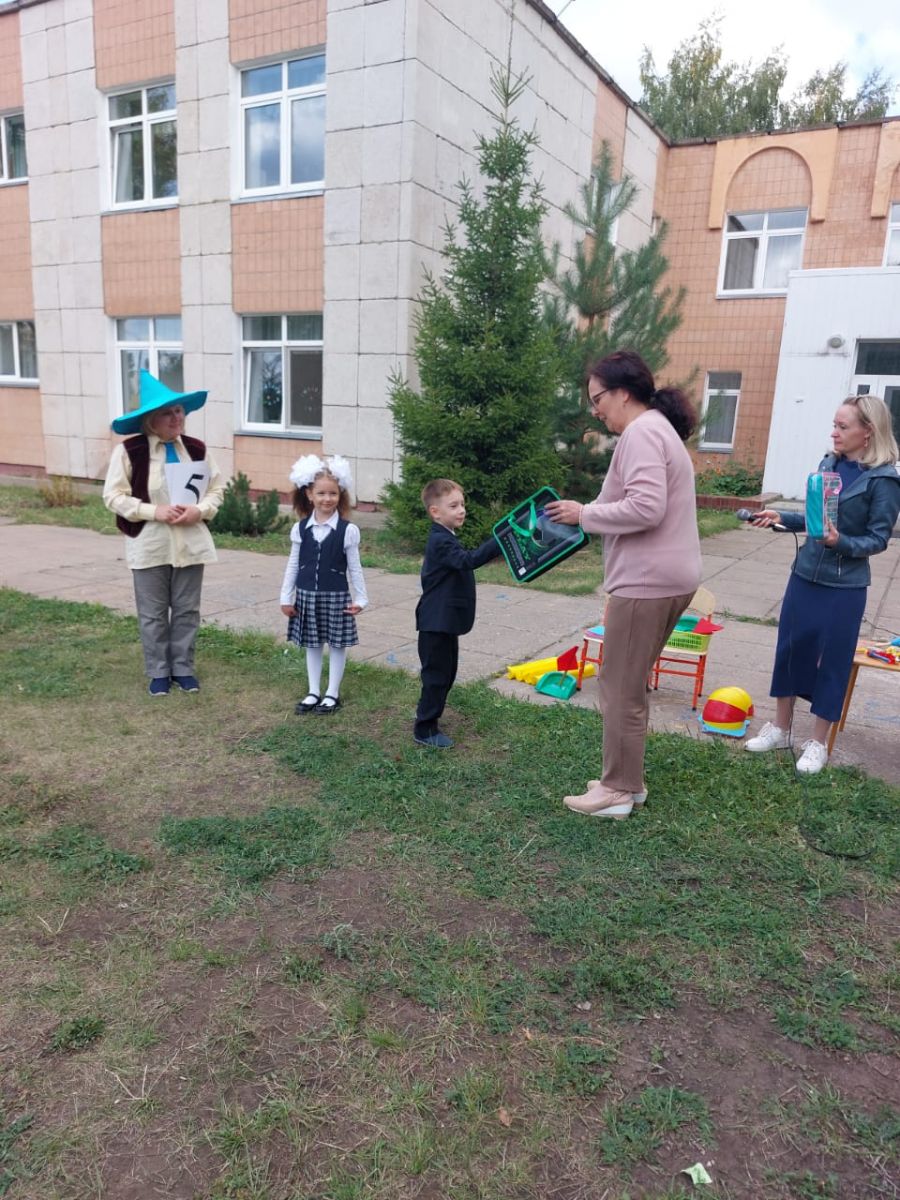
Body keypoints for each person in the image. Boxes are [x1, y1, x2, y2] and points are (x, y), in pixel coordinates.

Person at [543, 349, 701, 819]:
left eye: (598, 399)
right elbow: (634, 501)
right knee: (627, 684)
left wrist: (583, 514)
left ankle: (617, 790)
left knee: (618, 687)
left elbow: (646, 507)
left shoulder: (642, 433)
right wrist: (585, 512)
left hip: (647, 582)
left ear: (624, 393)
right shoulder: (656, 429)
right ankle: (627, 782)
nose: (595, 410)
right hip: (665, 577)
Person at [744, 394, 900, 774]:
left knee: (832, 660)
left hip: (845, 586)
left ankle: (817, 743)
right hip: (805, 574)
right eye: (834, 425)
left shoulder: (884, 480)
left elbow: (878, 539)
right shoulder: (828, 464)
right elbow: (816, 520)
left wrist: (839, 542)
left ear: (868, 432)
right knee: (790, 649)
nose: (834, 433)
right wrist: (782, 517)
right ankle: (780, 728)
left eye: (842, 426)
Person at [103, 370, 225, 696]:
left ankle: (183, 668)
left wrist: (201, 510)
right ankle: (159, 671)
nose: (176, 418)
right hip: (150, 543)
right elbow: (112, 496)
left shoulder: (197, 449)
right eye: (167, 413)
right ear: (150, 420)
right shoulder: (130, 451)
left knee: (187, 610)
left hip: (190, 542)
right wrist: (152, 511)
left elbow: (217, 490)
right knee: (153, 613)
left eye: (179, 411)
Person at [414, 479, 501, 748]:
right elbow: (467, 561)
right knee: (436, 676)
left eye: (462, 504)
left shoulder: (446, 536)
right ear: (435, 512)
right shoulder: (440, 540)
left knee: (446, 672)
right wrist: (499, 541)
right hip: (435, 623)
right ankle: (425, 728)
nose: (461, 510)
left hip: (444, 622)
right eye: (453, 506)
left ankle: (429, 715)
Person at [280, 455, 368, 714]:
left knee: (337, 644)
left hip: (336, 596)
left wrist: (361, 598)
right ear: (309, 494)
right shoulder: (300, 529)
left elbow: (355, 567)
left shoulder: (347, 530)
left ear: (340, 495)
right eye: (321, 493)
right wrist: (285, 597)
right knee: (313, 643)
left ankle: (332, 692)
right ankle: (313, 691)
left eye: (333, 493)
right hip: (306, 595)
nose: (327, 499)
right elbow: (293, 565)